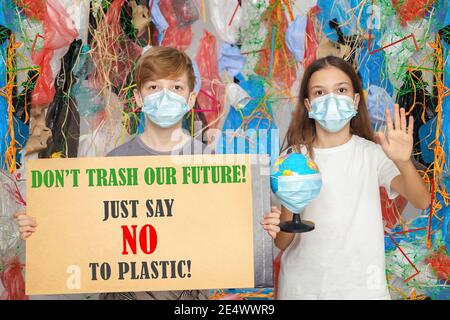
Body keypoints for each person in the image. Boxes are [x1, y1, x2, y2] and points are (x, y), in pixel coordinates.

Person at [15, 46, 209, 300]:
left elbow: (226, 236)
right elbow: (87, 233)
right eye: (153, 87)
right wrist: (40, 228)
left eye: (176, 88)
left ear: (190, 99)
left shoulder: (211, 163)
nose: (165, 96)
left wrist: (265, 227)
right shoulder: (114, 163)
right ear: (139, 99)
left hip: (190, 297)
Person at [260, 56, 430, 300]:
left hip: (362, 290)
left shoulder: (372, 154)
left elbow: (422, 200)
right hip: (302, 290)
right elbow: (283, 242)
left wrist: (403, 161)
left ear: (355, 99)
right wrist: (284, 215)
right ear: (308, 105)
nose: (332, 99)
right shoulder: (293, 158)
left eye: (341, 90)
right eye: (320, 92)